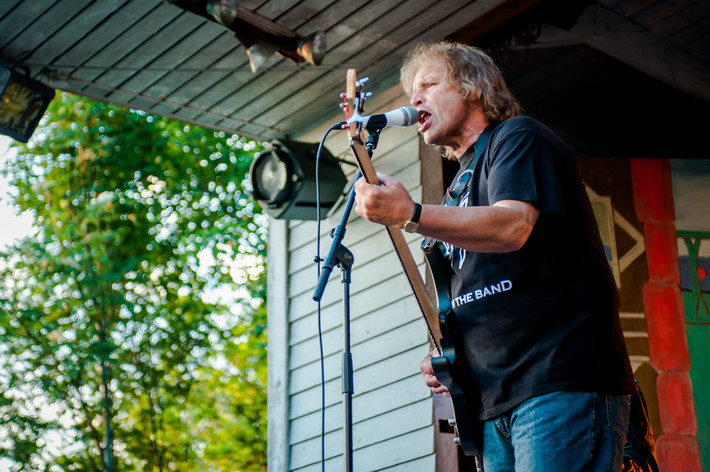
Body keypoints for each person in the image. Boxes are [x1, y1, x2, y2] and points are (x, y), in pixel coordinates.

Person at [354, 41, 637, 471]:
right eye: (414, 90)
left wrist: (411, 213)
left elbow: (511, 226)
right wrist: (447, 354)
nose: (414, 100)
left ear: (472, 87)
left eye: (429, 84)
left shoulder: (518, 137)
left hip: (557, 380)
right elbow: (468, 294)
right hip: (492, 401)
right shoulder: (456, 190)